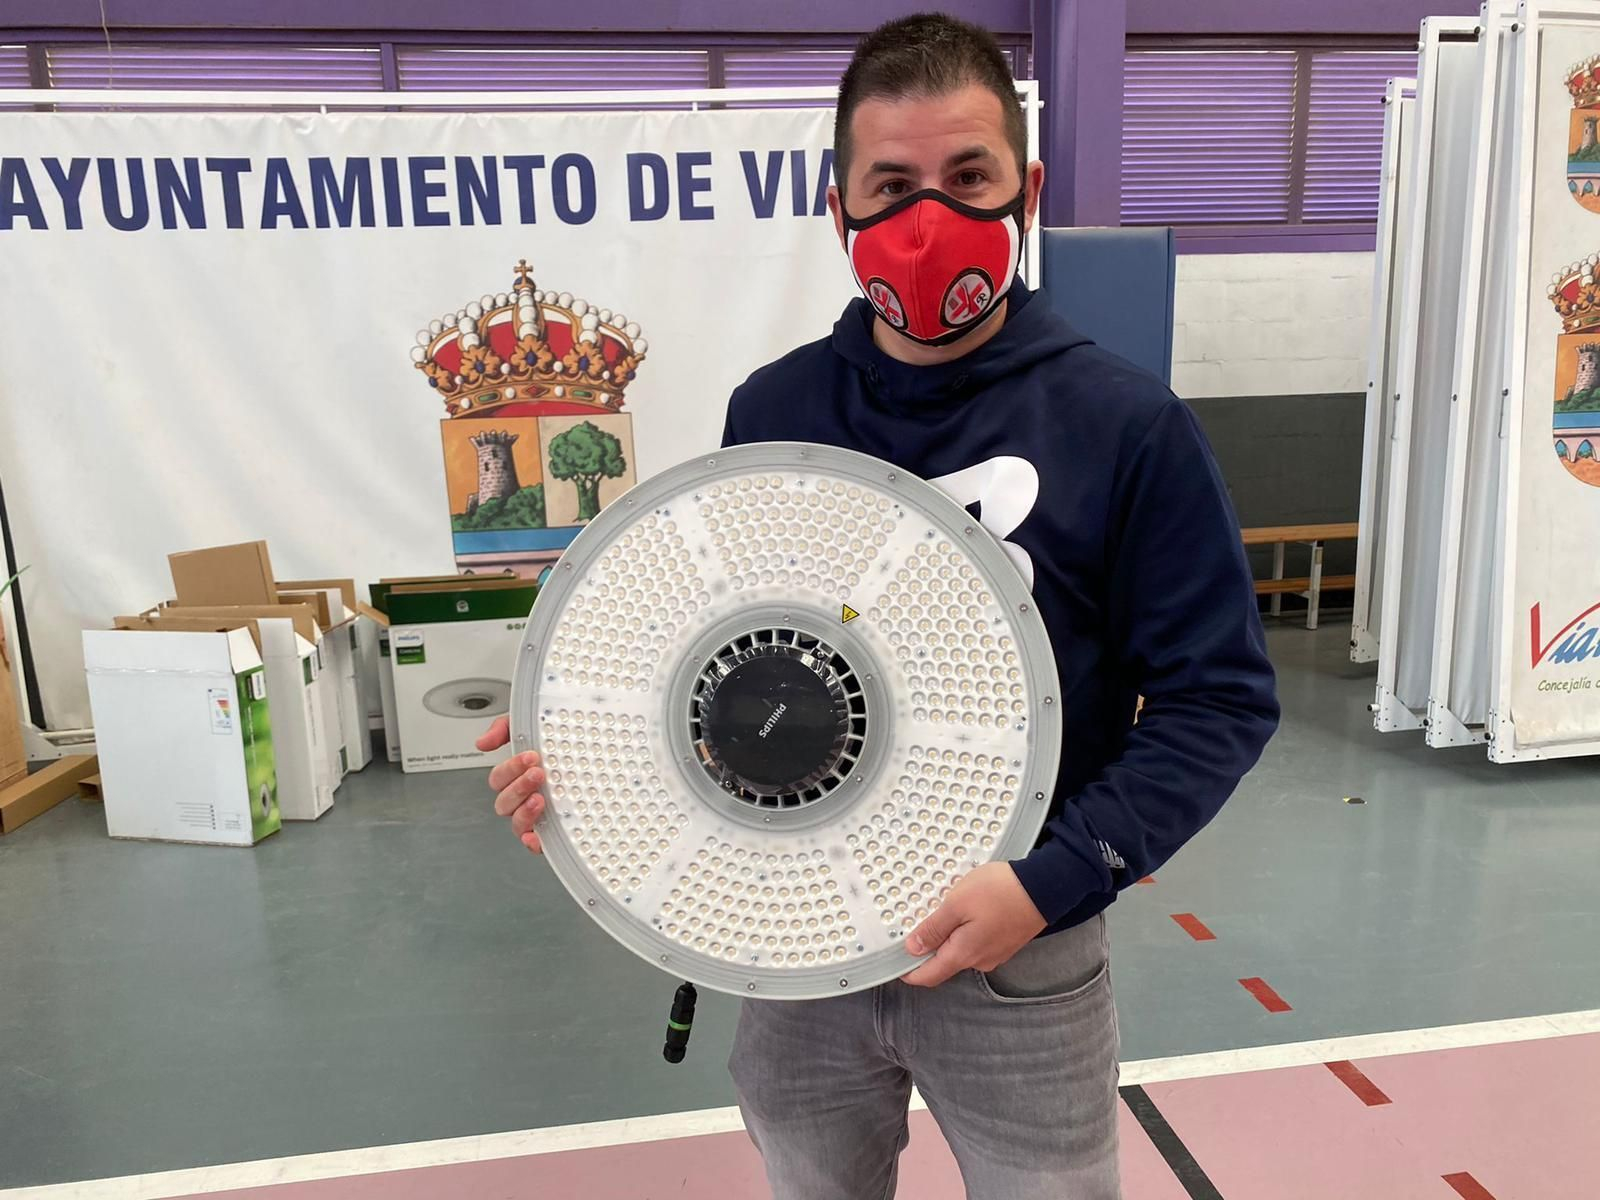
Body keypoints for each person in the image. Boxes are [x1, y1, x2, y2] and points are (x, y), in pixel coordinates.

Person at [479, 12, 1279, 1199]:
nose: (926, 218)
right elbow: (746, 661)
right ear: (840, 207)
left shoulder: (1126, 428)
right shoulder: (775, 408)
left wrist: (1049, 883)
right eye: (891, 184)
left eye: (967, 178)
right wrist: (588, 758)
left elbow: (1219, 702)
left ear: (1025, 191)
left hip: (1020, 950)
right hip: (790, 938)